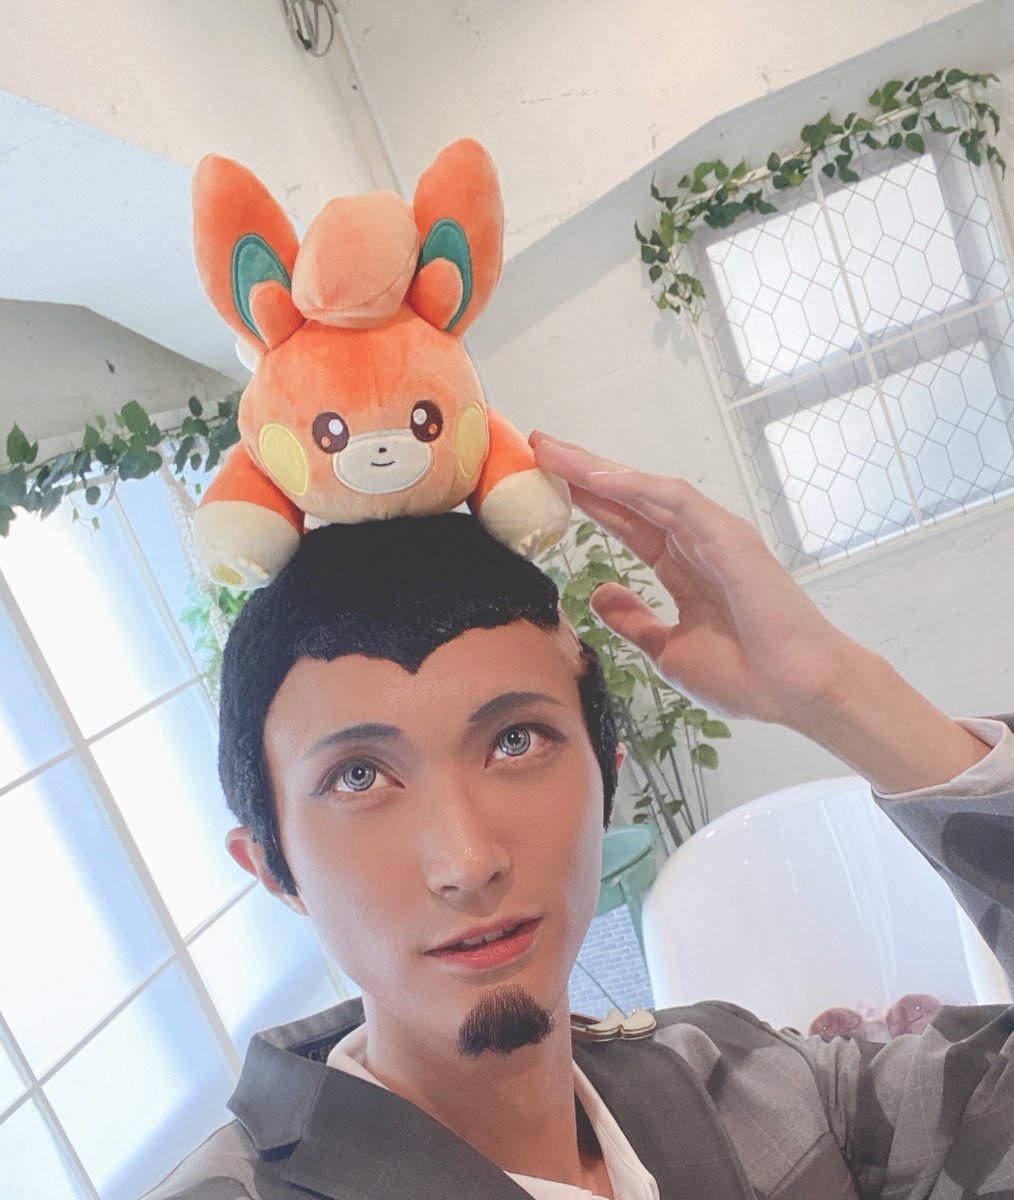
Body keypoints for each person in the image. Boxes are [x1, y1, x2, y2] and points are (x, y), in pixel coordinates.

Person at [146, 433, 1014, 1199]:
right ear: (272, 866)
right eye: (359, 775)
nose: (468, 860)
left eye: (515, 740)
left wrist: (838, 693)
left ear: (607, 771)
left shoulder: (745, 1083)